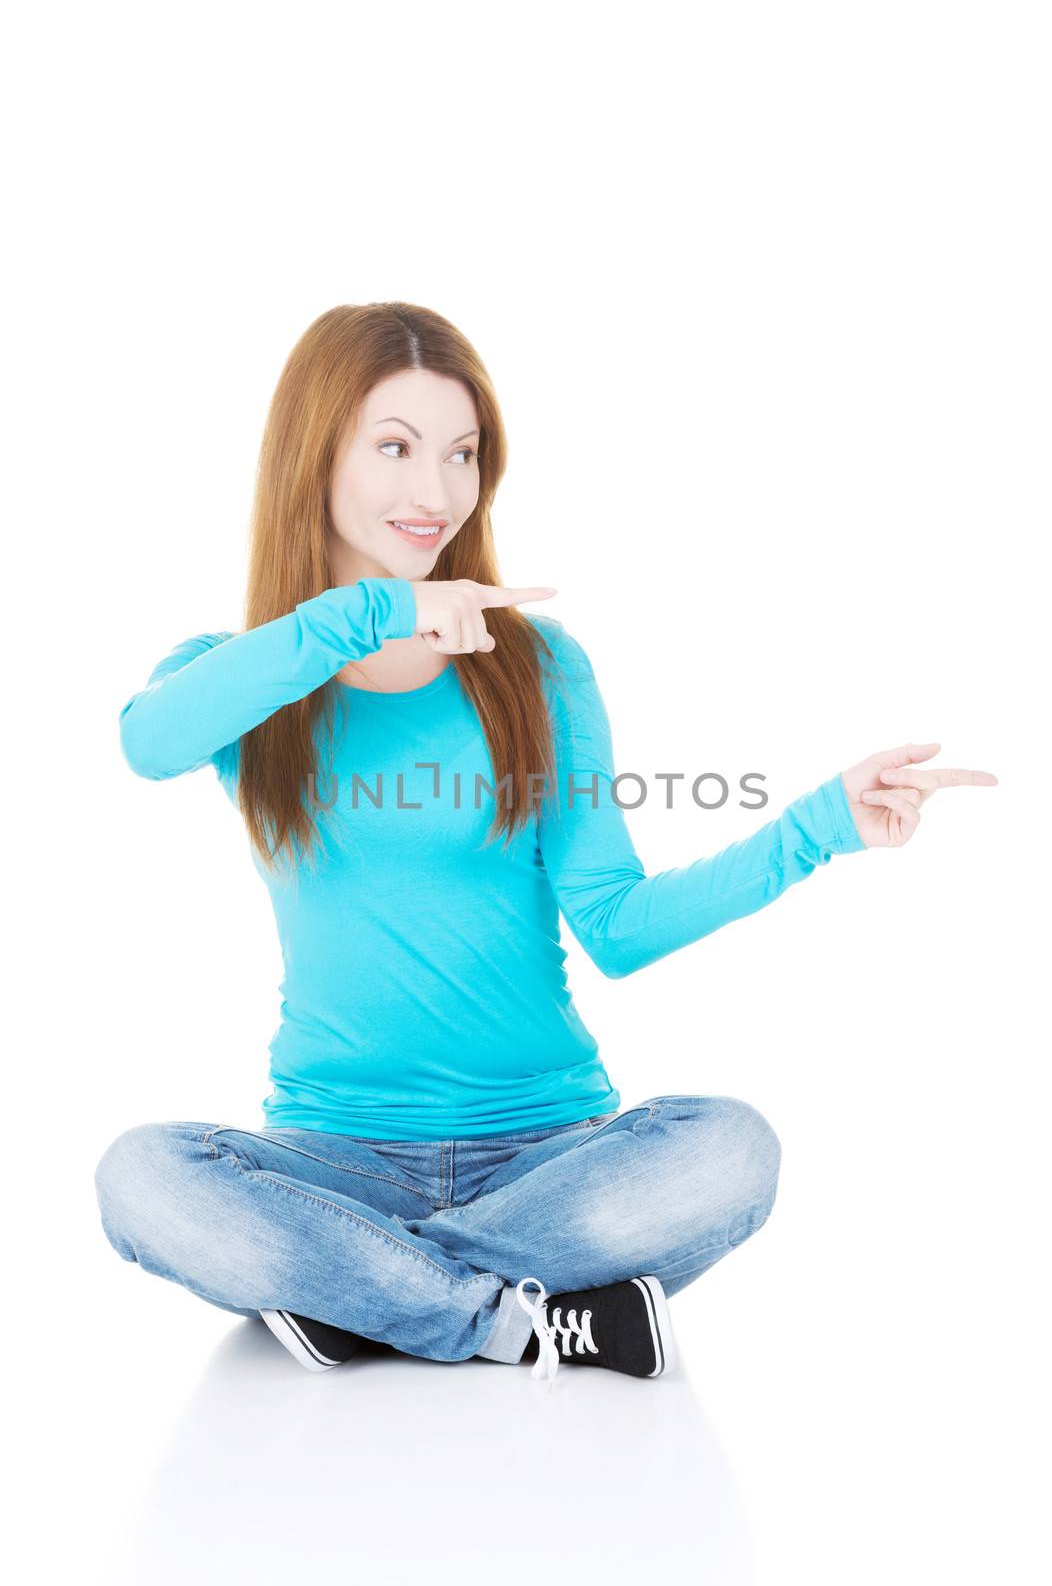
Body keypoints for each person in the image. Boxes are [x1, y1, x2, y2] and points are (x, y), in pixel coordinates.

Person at [93, 302, 998, 1390]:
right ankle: (523, 1316)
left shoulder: (537, 667)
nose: (435, 492)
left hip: (551, 1154)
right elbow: (147, 744)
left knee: (733, 1149)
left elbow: (616, 924)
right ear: (313, 453)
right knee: (142, 1176)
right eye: (394, 447)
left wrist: (820, 829)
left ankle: (365, 1302)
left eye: (462, 454)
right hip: (333, 1162)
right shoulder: (245, 673)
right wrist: (366, 615)